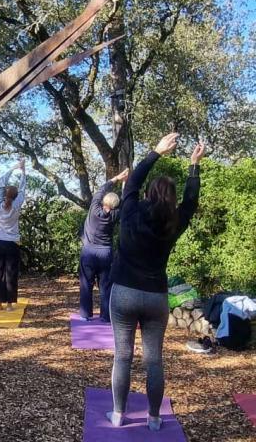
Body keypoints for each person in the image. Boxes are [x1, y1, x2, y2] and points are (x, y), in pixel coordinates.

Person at [107, 133, 205, 431]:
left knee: (122, 356)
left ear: (147, 193)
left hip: (124, 293)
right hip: (155, 298)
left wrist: (156, 152)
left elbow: (133, 181)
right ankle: (153, 417)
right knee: (154, 360)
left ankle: (118, 414)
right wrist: (194, 166)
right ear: (171, 200)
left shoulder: (131, 211)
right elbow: (191, 201)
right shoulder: (174, 221)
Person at [78, 168, 129, 322]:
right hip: (105, 253)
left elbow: (102, 189)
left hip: (89, 252)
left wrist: (118, 178)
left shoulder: (94, 208)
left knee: (86, 284)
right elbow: (126, 200)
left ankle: (86, 315)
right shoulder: (115, 214)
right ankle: (106, 316)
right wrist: (125, 184)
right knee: (105, 285)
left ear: (103, 201)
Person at [0, 159, 26, 311]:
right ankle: (9, 304)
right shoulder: (16, 204)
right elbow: (22, 188)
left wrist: (13, 167)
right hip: (12, 244)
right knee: (11, 273)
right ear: (15, 197)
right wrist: (23, 171)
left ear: (4, 194)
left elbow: (1, 181)